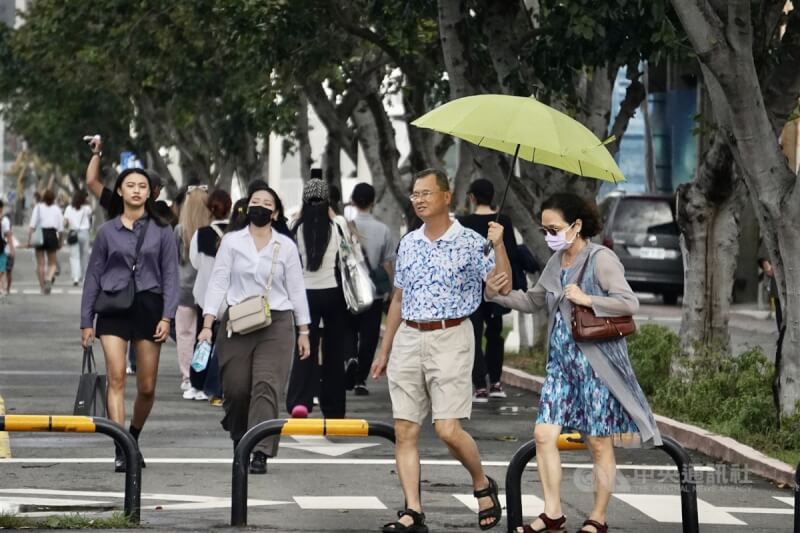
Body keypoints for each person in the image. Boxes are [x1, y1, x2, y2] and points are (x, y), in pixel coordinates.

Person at [485, 193, 662, 533]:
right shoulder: (557, 262)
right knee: (543, 434)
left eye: (554, 228)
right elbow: (534, 300)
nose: (549, 234)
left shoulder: (602, 259)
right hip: (561, 366)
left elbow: (629, 304)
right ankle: (553, 513)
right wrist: (494, 294)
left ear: (576, 225)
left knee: (598, 441)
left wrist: (588, 299)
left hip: (597, 366)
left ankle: (598, 518)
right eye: (545, 228)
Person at [370, 168, 511, 532]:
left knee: (448, 429)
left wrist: (498, 245)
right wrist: (384, 349)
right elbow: (398, 298)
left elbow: (501, 287)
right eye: (414, 194)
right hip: (408, 339)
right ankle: (413, 512)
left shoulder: (470, 241)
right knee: (405, 431)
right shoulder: (409, 243)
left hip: (451, 337)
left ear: (447, 197)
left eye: (426, 193)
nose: (418, 199)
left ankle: (482, 483)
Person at [198, 181, 311, 475]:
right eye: (255, 202)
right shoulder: (232, 242)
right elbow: (219, 282)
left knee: (266, 385)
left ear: (275, 214)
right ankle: (239, 436)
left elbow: (297, 289)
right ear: (247, 208)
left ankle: (259, 449)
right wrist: (208, 324)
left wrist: (305, 331)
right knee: (235, 389)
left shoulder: (285, 245)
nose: (260, 206)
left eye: (267, 204)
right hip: (238, 320)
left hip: (277, 321)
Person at [80, 168, 179, 473]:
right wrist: (86, 320)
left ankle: (133, 436)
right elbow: (93, 274)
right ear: (120, 191)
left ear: (150, 193)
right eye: (130, 185)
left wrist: (167, 316)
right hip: (113, 306)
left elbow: (171, 275)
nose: (136, 190)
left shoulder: (162, 230)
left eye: (142, 186)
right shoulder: (107, 231)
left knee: (147, 386)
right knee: (117, 377)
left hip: (149, 307)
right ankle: (121, 447)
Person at [286, 178, 353, 419]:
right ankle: (334, 407)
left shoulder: (295, 226)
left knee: (304, 348)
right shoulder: (339, 225)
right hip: (334, 293)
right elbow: (350, 251)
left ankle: (300, 401)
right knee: (334, 351)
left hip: (304, 295)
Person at [458, 178, 521, 402]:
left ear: (472, 197)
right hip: (499, 282)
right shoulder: (502, 221)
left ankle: (479, 387)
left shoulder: (463, 222)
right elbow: (511, 254)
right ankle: (495, 382)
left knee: (473, 335)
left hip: (472, 290)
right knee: (495, 334)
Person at [346, 183, 396, 395]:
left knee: (349, 331)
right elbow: (387, 263)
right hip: (373, 293)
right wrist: (392, 291)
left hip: (350, 293)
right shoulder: (383, 230)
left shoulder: (346, 227)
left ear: (353, 201)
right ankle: (360, 380)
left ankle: (350, 358)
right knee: (369, 336)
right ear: (373, 202)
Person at [190, 189, 233, 406]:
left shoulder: (201, 233)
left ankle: (197, 382)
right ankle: (220, 385)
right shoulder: (237, 234)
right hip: (230, 299)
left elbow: (195, 262)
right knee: (226, 344)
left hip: (205, 295)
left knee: (203, 339)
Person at [175, 185, 211, 398]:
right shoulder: (212, 229)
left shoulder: (180, 230)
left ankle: (188, 375)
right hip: (207, 288)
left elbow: (172, 262)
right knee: (206, 334)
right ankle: (204, 375)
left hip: (184, 288)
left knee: (185, 334)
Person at [28, 189, 63, 294]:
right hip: (52, 235)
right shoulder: (57, 210)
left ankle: (42, 287)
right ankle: (48, 278)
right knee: (52, 263)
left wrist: (29, 239)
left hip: (40, 234)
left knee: (40, 263)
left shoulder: (38, 208)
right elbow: (60, 229)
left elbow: (32, 226)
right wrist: (60, 241)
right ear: (53, 199)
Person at [63, 190, 93, 286]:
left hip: (73, 234)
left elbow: (65, 222)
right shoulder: (87, 208)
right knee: (84, 256)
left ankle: (76, 277)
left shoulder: (68, 208)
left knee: (74, 257)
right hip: (84, 233)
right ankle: (84, 278)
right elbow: (90, 215)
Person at [758, 257, 783, 331]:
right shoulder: (766, 274)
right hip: (776, 296)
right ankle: (780, 331)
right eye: (764, 265)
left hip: (783, 295)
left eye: (767, 263)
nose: (766, 266)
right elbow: (765, 284)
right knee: (779, 315)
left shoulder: (777, 269)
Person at [0, 200, 15, 304]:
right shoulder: (4, 220)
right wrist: (12, 248)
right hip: (1, 247)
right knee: (1, 270)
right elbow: (8, 235)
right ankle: (2, 288)